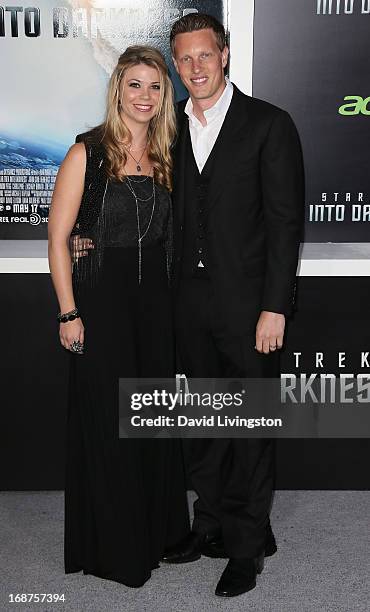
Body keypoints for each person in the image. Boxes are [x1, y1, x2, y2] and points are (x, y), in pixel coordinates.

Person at [161, 14, 305, 598]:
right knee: (201, 425)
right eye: (184, 58)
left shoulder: (269, 124)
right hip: (186, 307)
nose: (195, 68)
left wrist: (276, 308)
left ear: (225, 54)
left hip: (250, 310)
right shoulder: (167, 126)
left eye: (204, 55)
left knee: (247, 428)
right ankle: (212, 524)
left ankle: (247, 549)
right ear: (176, 63)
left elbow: (284, 223)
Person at [48, 45, 189, 588]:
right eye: (135, 85)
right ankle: (116, 548)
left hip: (155, 308)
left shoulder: (168, 154)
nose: (145, 96)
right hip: (101, 306)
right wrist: (68, 313)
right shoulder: (88, 153)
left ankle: (156, 533)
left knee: (149, 420)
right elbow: (59, 240)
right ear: (117, 90)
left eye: (155, 86)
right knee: (110, 423)